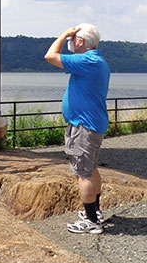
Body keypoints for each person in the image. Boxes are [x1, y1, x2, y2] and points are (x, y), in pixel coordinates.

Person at [44, 23, 110, 234]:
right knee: (90, 169)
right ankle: (95, 212)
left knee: (83, 174)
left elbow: (50, 56)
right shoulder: (96, 61)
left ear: (80, 41)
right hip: (91, 123)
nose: (71, 42)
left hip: (84, 125)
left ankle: (92, 222)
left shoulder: (88, 60)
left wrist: (63, 34)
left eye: (73, 39)